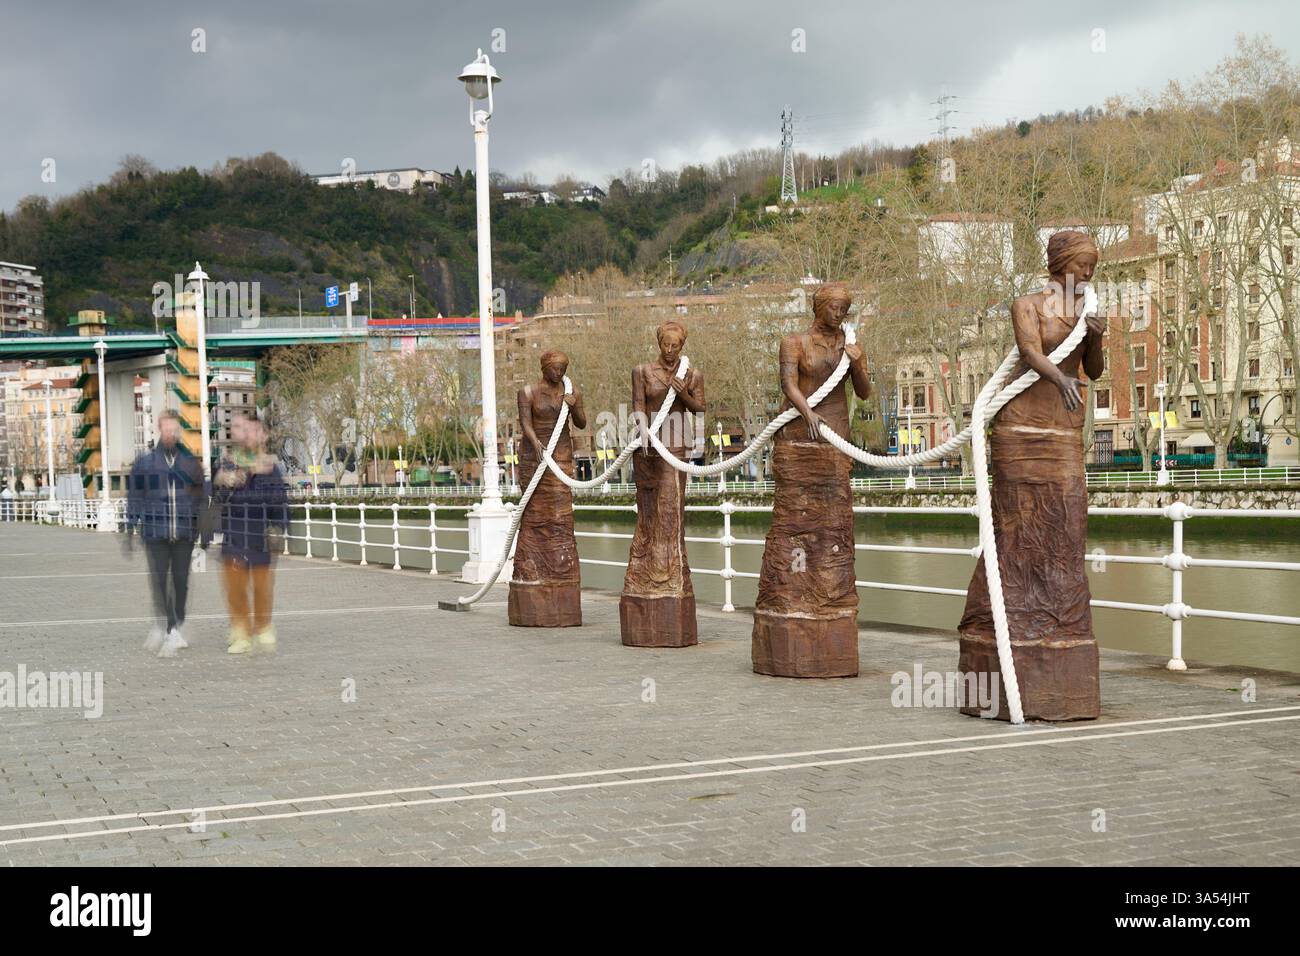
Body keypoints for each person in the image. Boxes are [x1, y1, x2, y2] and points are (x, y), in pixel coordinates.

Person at [957, 230, 1107, 721]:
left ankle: (1059, 622)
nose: (1088, 273)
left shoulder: (1087, 312)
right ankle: (1009, 621)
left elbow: (1096, 371)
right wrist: (1060, 376)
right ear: (1061, 263)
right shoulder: (1027, 305)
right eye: (1083, 265)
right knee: (1016, 528)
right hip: (1021, 429)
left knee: (1066, 526)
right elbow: (1028, 353)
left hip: (1064, 431)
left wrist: (1098, 338)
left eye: (1093, 266)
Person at [752, 283, 872, 678]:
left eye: (845, 308)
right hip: (800, 433)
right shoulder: (794, 342)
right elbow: (788, 385)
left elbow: (866, 394)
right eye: (834, 307)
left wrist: (856, 364)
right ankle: (792, 592)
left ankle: (830, 595)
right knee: (795, 524)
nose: (839, 314)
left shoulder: (850, 345)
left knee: (833, 523)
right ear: (818, 307)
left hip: (835, 435)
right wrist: (807, 414)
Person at [620, 320, 705, 647]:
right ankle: (643, 575)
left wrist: (683, 393)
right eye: (666, 345)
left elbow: (700, 408)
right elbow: (638, 404)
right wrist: (642, 431)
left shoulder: (691, 374)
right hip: (647, 448)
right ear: (659, 343)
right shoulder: (642, 371)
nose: (670, 351)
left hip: (675, 447)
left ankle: (667, 577)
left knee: (671, 514)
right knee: (649, 514)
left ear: (682, 346)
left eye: (676, 346)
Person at [509, 349, 585, 627]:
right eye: (555, 368)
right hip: (535, 455)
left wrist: (574, 404)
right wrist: (536, 444)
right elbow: (525, 425)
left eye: (563, 368)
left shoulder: (569, 389)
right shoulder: (527, 392)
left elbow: (582, 422)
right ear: (544, 368)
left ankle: (561, 568)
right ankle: (533, 568)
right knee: (535, 514)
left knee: (560, 513)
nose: (560, 373)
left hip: (561, 455)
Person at [124, 410, 206, 657]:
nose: (170, 433)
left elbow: (202, 499)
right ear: (160, 429)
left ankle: (175, 623)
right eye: (167, 428)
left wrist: (206, 532)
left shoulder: (191, 463)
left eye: (174, 429)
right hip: (155, 533)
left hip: (183, 533)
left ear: (178, 430)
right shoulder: (145, 463)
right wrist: (130, 528)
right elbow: (135, 497)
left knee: (181, 583)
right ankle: (170, 628)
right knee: (160, 582)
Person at [214, 411, 289, 654]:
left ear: (263, 436)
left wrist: (279, 527)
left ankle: (263, 625)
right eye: (245, 430)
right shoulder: (227, 462)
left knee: (261, 587)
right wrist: (226, 481)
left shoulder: (271, 467)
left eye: (255, 431)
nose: (250, 435)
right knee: (235, 588)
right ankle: (240, 632)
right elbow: (214, 499)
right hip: (234, 535)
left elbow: (280, 502)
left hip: (260, 538)